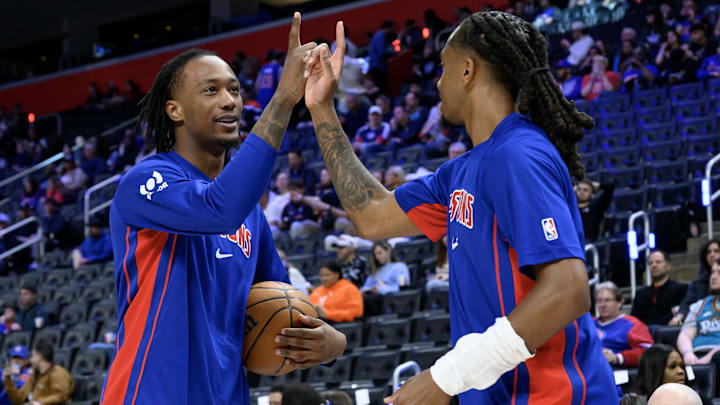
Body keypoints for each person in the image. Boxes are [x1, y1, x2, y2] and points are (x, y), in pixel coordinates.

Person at [302, 11, 616, 403]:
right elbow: (371, 215)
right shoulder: (463, 171)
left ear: (467, 70)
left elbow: (568, 291)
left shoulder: (519, 153)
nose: (437, 81)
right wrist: (321, 109)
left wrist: (445, 377)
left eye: (442, 68)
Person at [101, 15, 346, 405]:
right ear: (175, 110)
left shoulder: (252, 216)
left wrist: (331, 343)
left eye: (234, 89)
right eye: (210, 90)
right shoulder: (145, 183)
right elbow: (219, 209)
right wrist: (282, 99)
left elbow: (286, 311)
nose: (230, 100)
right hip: (151, 394)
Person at [594, 282, 654, 367]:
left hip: (614, 371)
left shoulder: (632, 324)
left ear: (619, 303)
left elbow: (648, 351)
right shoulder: (589, 323)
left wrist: (617, 358)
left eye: (607, 300)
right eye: (599, 301)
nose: (603, 305)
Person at [677, 258, 720, 366]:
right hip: (696, 356)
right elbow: (685, 335)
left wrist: (710, 356)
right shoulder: (700, 305)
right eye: (713, 272)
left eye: (719, 273)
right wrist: (687, 353)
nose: (714, 277)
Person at [2, 341, 74, 405]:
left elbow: (61, 396)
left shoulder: (59, 373)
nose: (31, 360)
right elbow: (18, 399)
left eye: (33, 356)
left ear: (39, 357)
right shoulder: (35, 375)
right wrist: (8, 380)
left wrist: (40, 402)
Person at [631, 250, 688, 326]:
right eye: (650, 263)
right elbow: (633, 320)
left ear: (668, 266)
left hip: (670, 333)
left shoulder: (681, 290)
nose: (654, 265)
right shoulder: (640, 294)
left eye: (658, 262)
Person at [672, 240, 720, 326]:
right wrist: (679, 315)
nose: (712, 255)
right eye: (708, 252)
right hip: (703, 321)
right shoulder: (697, 283)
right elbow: (688, 302)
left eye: (716, 251)